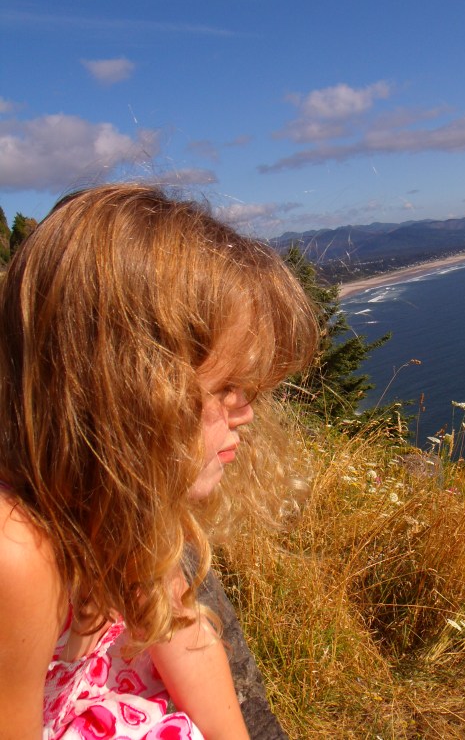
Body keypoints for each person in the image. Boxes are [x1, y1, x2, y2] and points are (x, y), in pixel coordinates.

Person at [0, 184, 318, 739]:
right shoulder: (17, 553)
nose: (247, 412)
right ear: (123, 393)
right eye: (226, 387)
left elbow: (186, 640)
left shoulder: (126, 501)